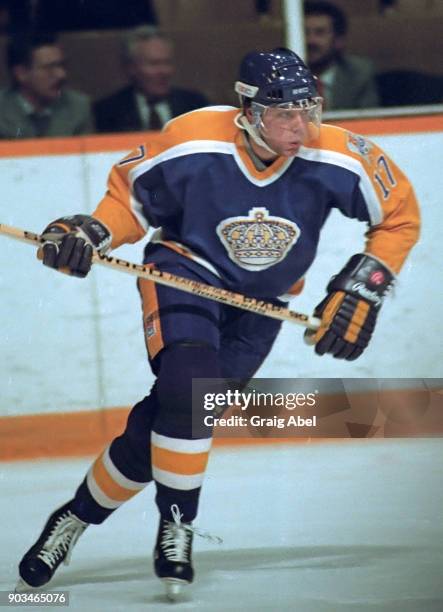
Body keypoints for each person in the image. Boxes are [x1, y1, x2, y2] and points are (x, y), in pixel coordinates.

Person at [16, 48, 420, 600]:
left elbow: (399, 213)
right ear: (247, 110)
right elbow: (129, 202)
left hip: (264, 303)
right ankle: (176, 526)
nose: (299, 127)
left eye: (308, 111)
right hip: (185, 273)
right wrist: (89, 232)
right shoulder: (192, 139)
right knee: (189, 388)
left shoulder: (339, 153)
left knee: (169, 418)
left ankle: (74, 518)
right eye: (283, 114)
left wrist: (364, 285)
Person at [94, 26, 210, 133]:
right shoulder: (107, 111)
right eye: (154, 64)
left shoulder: (195, 105)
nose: (164, 71)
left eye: (167, 63)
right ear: (131, 67)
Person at [0, 31, 94, 139]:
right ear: (21, 74)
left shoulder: (78, 107)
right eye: (49, 68)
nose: (61, 75)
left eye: (61, 65)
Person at [304, 0, 380, 110]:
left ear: (339, 40)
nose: (310, 41)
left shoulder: (359, 74)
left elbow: (370, 120)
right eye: (305, 32)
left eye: (320, 33)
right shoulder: (283, 78)